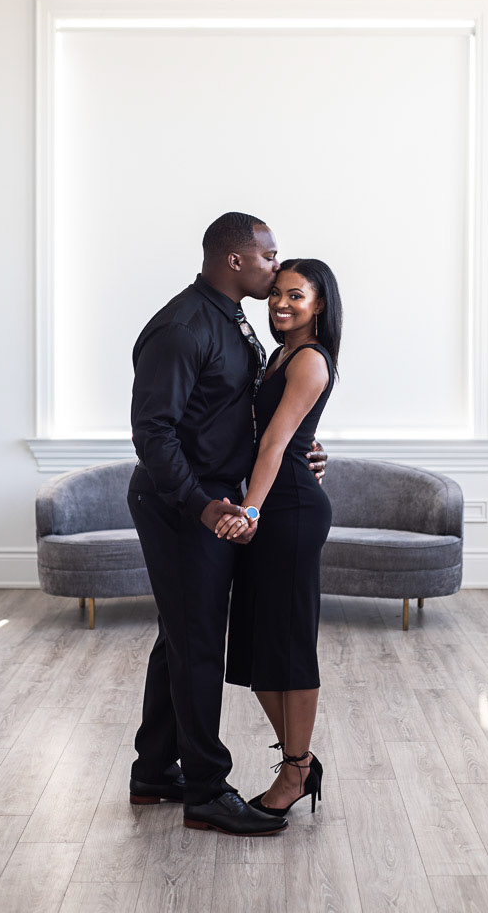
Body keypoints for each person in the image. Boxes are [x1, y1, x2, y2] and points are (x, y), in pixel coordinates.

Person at [127, 212, 327, 836]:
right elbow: (152, 432)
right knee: (198, 644)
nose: (276, 266)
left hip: (215, 498)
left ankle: (154, 772)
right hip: (184, 506)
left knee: (181, 638)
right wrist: (201, 504)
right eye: (269, 257)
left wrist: (301, 450)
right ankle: (207, 791)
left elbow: (241, 413)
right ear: (235, 260)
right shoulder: (183, 327)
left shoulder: (234, 321)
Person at [221, 258, 342, 817]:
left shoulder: (311, 359)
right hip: (274, 504)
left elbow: (274, 444)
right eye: (276, 294)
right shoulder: (278, 356)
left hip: (288, 511)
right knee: (257, 646)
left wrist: (250, 508)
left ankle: (294, 770)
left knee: (288, 644)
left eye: (296, 295)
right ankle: (300, 760)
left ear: (319, 305)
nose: (281, 304)